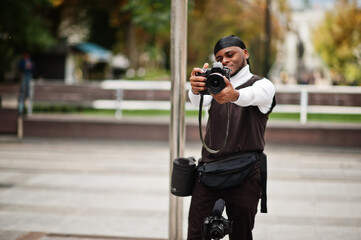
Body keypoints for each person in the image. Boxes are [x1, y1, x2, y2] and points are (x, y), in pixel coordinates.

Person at [187, 35, 276, 239]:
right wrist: (195, 88)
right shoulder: (214, 83)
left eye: (230, 54)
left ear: (245, 53)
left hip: (245, 173)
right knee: (195, 234)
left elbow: (253, 96)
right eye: (219, 58)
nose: (224, 60)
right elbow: (196, 102)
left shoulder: (263, 84)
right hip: (208, 172)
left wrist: (233, 95)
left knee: (241, 235)